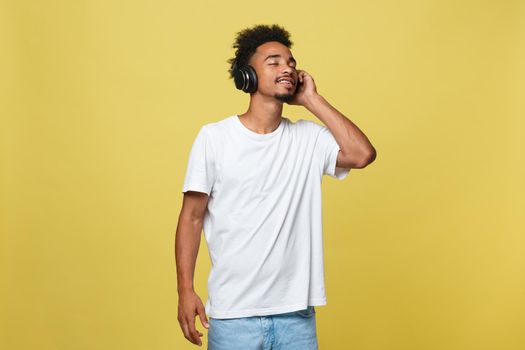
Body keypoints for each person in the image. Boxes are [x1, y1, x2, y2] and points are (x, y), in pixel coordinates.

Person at [175, 24, 376, 349]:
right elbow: (192, 217)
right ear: (247, 76)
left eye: (291, 63)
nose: (288, 68)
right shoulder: (214, 138)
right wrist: (185, 289)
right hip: (233, 316)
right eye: (274, 62)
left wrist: (312, 99)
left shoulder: (308, 139)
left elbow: (362, 154)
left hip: (295, 317)